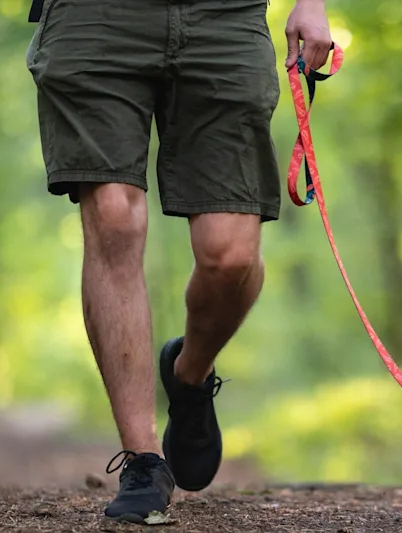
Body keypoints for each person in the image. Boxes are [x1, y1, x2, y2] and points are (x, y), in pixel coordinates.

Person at [24, 0, 331, 522]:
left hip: (225, 17)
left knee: (230, 256)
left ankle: (189, 373)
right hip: (92, 16)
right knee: (114, 218)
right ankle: (143, 460)